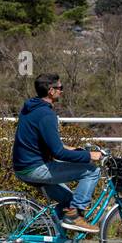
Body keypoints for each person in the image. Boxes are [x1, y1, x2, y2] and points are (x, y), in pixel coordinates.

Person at [12, 73, 103, 234]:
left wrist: (75, 150)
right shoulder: (47, 115)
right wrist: (90, 156)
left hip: (24, 167)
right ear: (51, 91)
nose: (62, 91)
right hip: (35, 168)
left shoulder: (31, 108)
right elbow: (58, 153)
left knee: (69, 200)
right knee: (92, 171)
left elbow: (49, 144)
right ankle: (74, 217)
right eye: (60, 88)